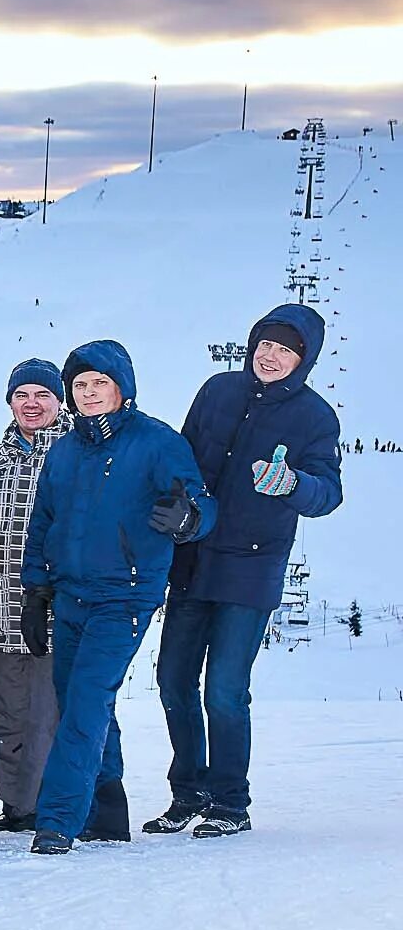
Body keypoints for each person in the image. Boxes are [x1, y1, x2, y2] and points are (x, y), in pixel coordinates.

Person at [153, 304, 342, 838]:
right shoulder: (217, 390)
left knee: (225, 690)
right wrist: (177, 507)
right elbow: (183, 458)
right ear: (252, 342)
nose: (271, 356)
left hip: (252, 570)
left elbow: (328, 492)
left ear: (303, 362)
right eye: (266, 344)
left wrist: (292, 485)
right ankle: (188, 792)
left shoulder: (315, 416)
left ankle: (230, 801)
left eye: (286, 351)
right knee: (172, 682)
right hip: (194, 558)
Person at [20, 341, 215, 854]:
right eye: (79, 386)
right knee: (80, 703)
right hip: (69, 596)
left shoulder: (156, 442)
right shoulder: (63, 450)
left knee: (86, 702)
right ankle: (107, 813)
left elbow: (200, 504)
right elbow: (43, 521)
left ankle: (58, 819)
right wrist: (36, 591)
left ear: (122, 389)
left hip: (126, 596)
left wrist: (188, 519)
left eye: (98, 384)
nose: (87, 393)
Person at [0, 358, 71, 832]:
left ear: (59, 401)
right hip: (0, 609)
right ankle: (15, 804)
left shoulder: (72, 454)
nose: (31, 404)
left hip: (51, 610)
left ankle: (44, 803)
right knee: (5, 714)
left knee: (44, 716)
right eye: (22, 395)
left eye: (41, 395)